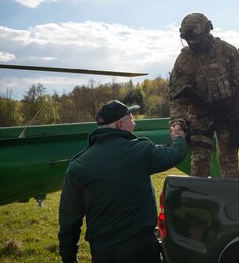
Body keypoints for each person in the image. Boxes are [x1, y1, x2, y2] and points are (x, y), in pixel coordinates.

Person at [58, 100, 187, 263]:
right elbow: (174, 154)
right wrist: (179, 138)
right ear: (120, 124)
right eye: (131, 118)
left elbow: (69, 219)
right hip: (141, 251)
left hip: (103, 253)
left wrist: (68, 257)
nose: (134, 122)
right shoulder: (140, 151)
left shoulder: (78, 165)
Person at [167, 12, 239, 178]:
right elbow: (178, 98)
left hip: (228, 114)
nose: (194, 45)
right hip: (199, 117)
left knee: (229, 162)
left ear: (208, 32)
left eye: (197, 41)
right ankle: (200, 200)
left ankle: (231, 199)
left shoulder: (227, 51)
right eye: (189, 42)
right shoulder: (184, 60)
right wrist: (177, 122)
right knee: (199, 162)